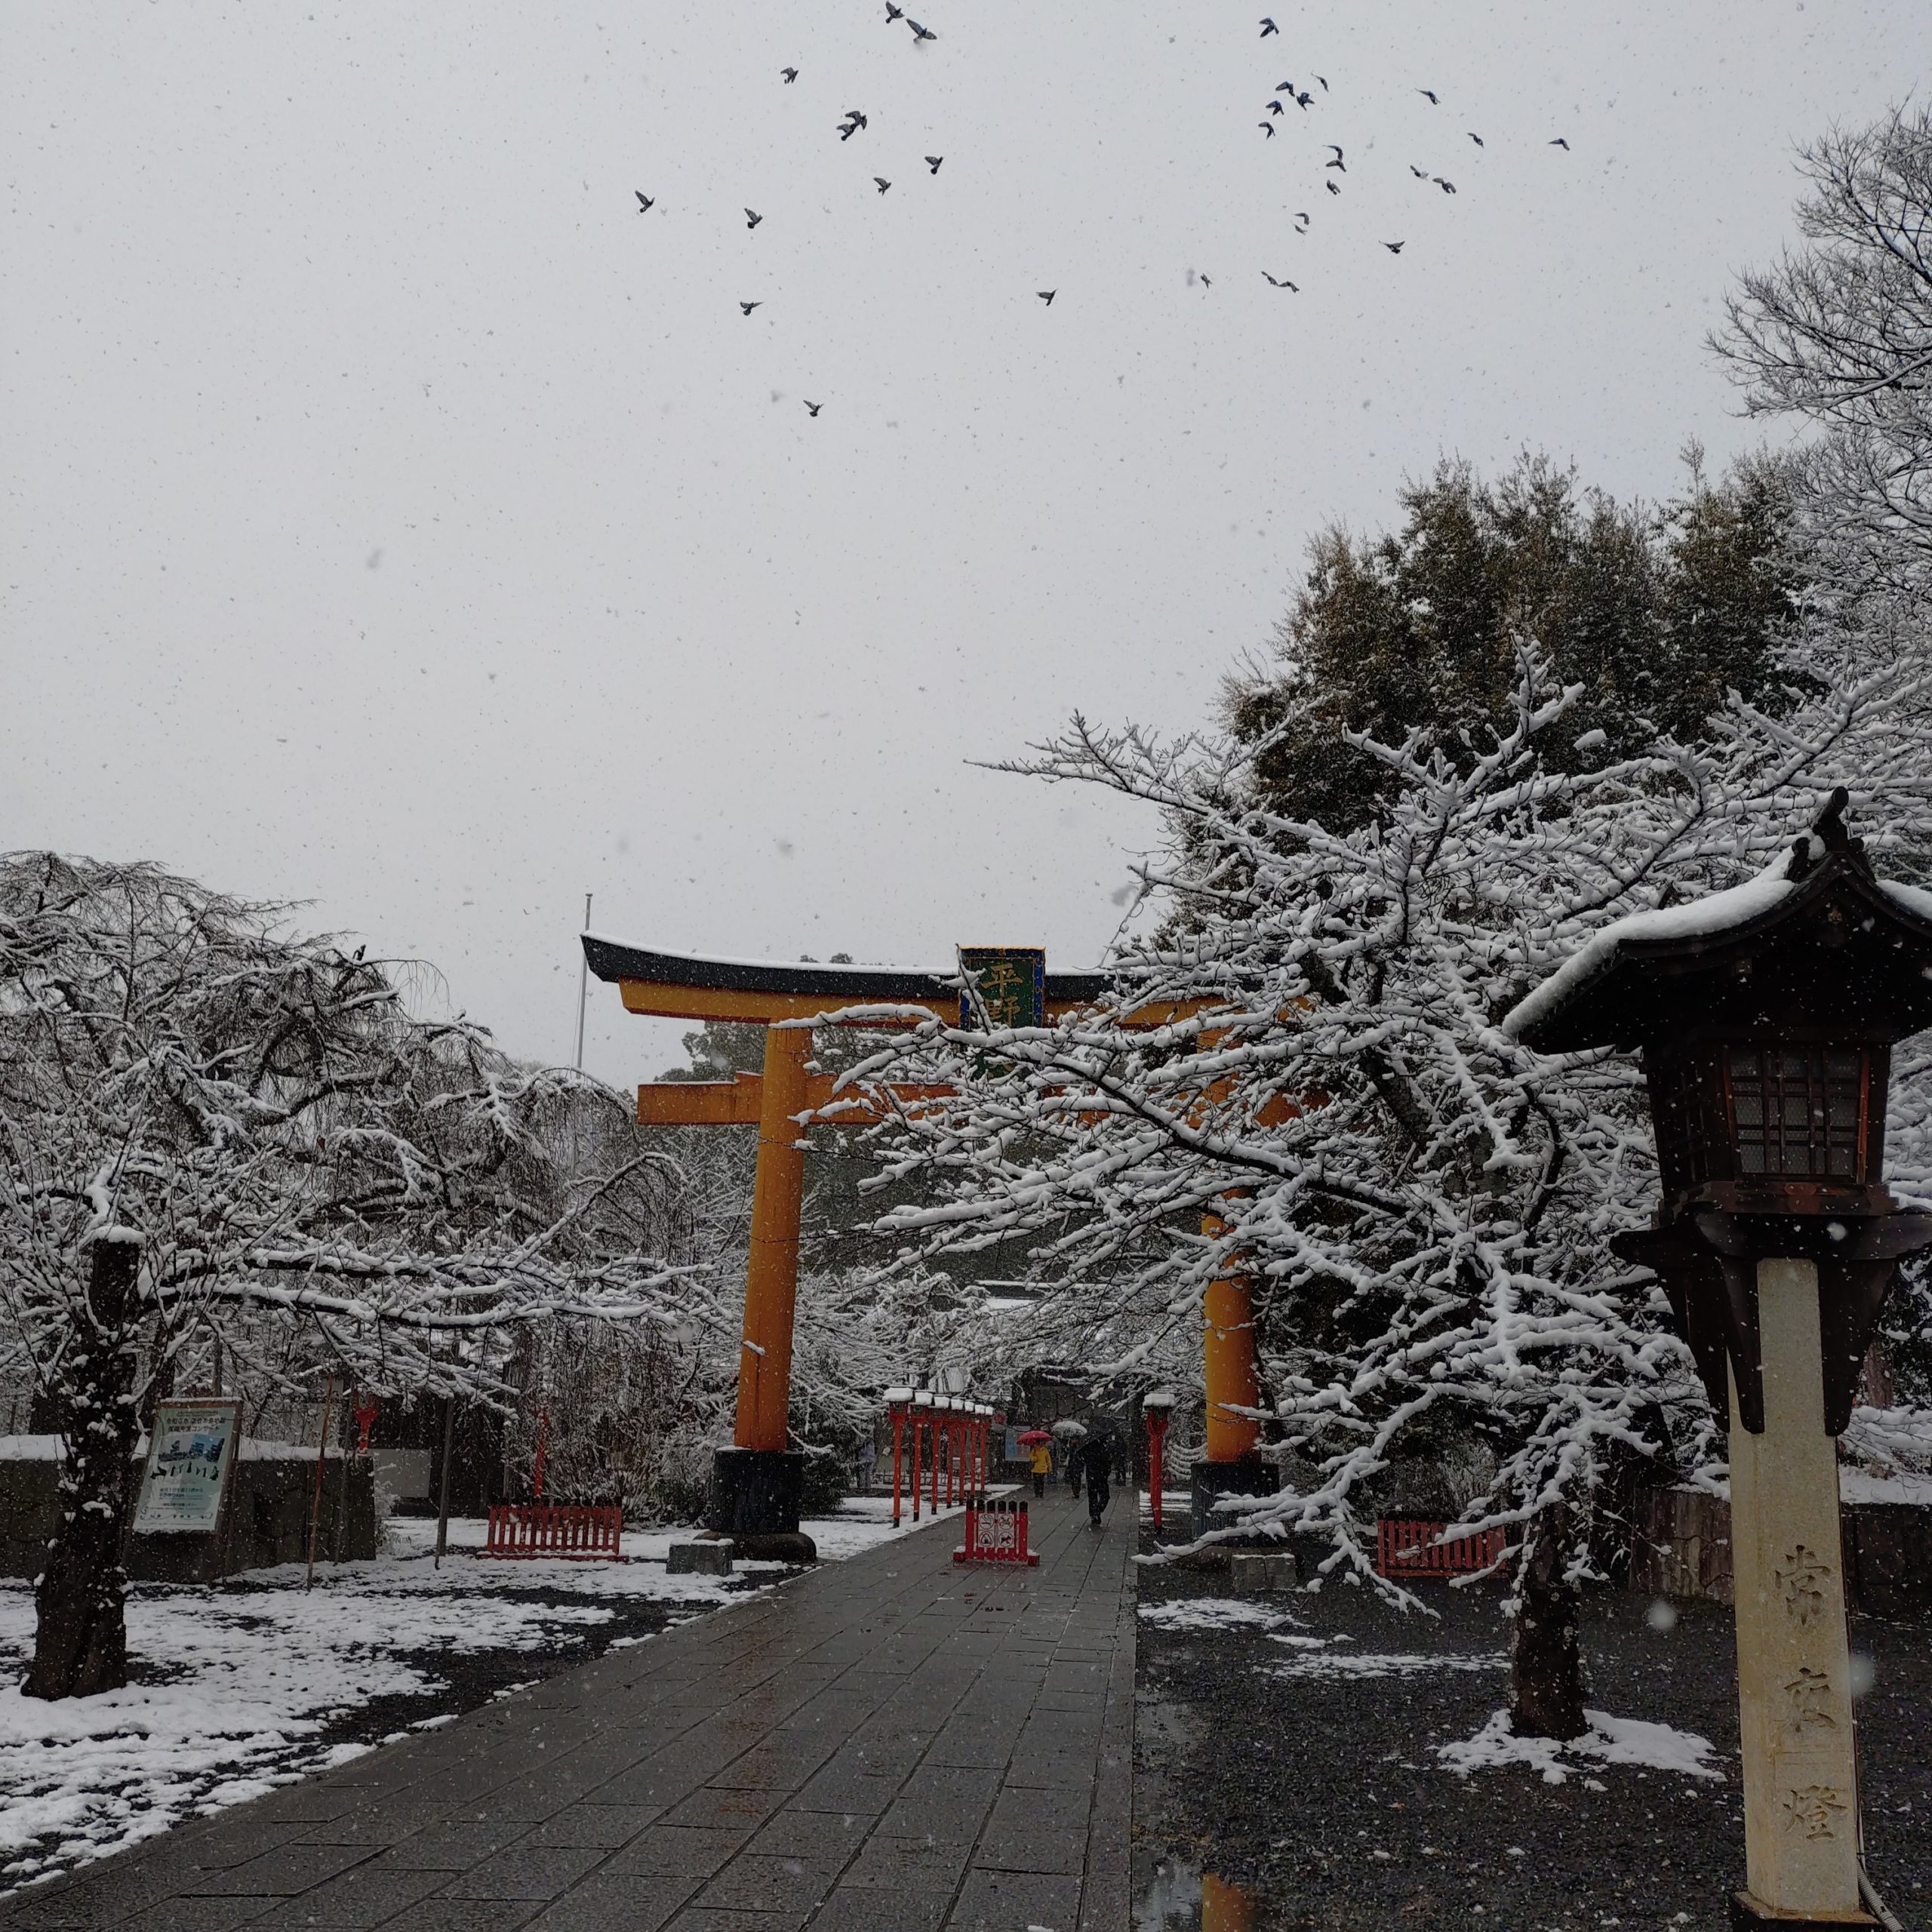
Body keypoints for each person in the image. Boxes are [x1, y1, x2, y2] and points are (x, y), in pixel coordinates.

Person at [1076, 1432, 1112, 1528]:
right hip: (1101, 1476)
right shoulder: (1102, 1449)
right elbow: (1107, 1463)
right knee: (1105, 1496)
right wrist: (1106, 1473)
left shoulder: (1087, 1448)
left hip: (1091, 1475)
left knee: (1092, 1496)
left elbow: (1082, 1459)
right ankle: (1097, 1511)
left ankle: (1094, 1515)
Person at [1028, 1435, 1052, 1499]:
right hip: (1035, 1469)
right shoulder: (1034, 1450)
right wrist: (1034, 1458)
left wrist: (1049, 1468)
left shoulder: (1045, 1450)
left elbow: (1048, 1459)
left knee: (1041, 1482)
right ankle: (1037, 1493)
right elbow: (1030, 1457)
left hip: (1043, 1469)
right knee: (1036, 1482)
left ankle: (1040, 1493)